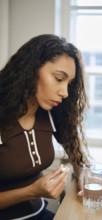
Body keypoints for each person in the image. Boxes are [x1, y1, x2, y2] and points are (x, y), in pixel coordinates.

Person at [0, 34, 91, 220]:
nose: (65, 92)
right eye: (59, 78)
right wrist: (31, 192)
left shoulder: (50, 112)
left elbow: (77, 154)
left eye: (69, 84)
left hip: (40, 214)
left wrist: (84, 174)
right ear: (30, 69)